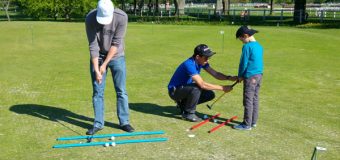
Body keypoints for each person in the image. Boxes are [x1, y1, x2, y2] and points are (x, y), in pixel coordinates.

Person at [85, 0, 134, 135]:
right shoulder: (90, 18)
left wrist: (104, 64)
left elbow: (116, 43)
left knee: (121, 90)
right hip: (98, 56)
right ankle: (98, 123)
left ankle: (124, 122)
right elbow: (93, 45)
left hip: (117, 56)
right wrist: (97, 69)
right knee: (97, 91)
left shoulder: (122, 17)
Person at [167, 44, 237, 122]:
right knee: (196, 88)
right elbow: (202, 84)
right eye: (206, 58)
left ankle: (184, 105)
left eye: (209, 57)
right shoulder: (189, 64)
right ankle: (189, 114)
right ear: (197, 57)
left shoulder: (201, 62)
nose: (208, 60)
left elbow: (215, 74)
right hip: (175, 92)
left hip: (184, 89)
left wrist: (229, 78)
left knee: (210, 94)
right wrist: (223, 88)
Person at [233, 26, 264, 130]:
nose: (241, 41)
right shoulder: (259, 46)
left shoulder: (247, 47)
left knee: (248, 100)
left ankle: (246, 124)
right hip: (259, 75)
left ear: (245, 36)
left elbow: (243, 63)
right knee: (255, 98)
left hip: (250, 77)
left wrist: (240, 76)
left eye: (241, 39)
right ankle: (253, 122)